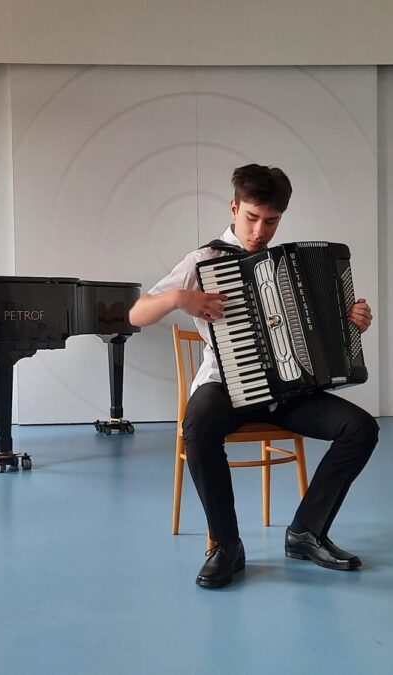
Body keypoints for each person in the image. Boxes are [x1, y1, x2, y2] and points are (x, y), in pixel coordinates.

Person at [129, 164, 378, 588]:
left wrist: (353, 320)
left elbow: (322, 331)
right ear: (234, 208)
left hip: (288, 393)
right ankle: (226, 546)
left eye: (271, 221)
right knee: (198, 423)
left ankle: (306, 532)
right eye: (251, 217)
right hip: (226, 387)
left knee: (361, 428)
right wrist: (180, 298)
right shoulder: (204, 260)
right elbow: (136, 314)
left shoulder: (288, 264)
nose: (260, 231)